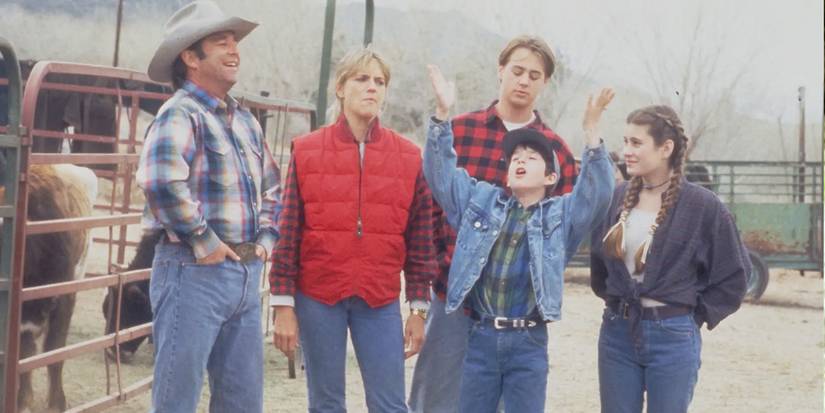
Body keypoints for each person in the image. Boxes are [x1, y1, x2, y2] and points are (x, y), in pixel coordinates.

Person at [424, 66, 614, 413]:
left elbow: (597, 195)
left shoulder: (560, 216)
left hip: (528, 341)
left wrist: (591, 133)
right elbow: (441, 177)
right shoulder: (480, 201)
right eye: (515, 157)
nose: (520, 160)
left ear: (552, 176)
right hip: (479, 335)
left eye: (531, 157)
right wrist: (441, 116)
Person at [269, 47, 437, 413]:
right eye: (362, 79)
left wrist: (419, 309)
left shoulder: (409, 156)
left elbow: (422, 241)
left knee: (391, 404)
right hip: (318, 296)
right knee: (326, 403)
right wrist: (283, 304)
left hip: (378, 298)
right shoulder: (306, 150)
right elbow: (288, 232)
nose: (372, 87)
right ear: (341, 88)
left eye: (379, 81)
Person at [136, 1, 281, 411]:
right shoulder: (180, 113)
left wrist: (265, 241)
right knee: (176, 399)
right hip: (191, 269)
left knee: (242, 400)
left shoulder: (245, 121)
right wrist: (205, 240)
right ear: (190, 57)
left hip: (243, 274)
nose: (234, 50)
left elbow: (273, 189)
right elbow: (160, 181)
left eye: (234, 42)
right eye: (222, 42)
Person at [590, 105, 750, 413]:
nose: (626, 151)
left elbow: (734, 275)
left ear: (666, 148)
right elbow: (600, 263)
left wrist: (691, 317)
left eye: (636, 143)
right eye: (625, 142)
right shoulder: (617, 197)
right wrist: (617, 300)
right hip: (616, 334)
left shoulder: (703, 205)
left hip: (673, 336)